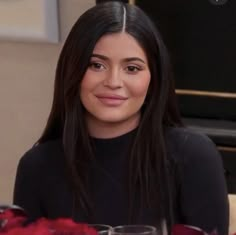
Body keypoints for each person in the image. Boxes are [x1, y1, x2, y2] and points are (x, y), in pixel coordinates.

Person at [13, 1, 229, 235]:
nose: (113, 82)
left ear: (154, 78)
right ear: (72, 70)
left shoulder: (193, 157)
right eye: (96, 65)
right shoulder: (37, 167)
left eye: (132, 68)